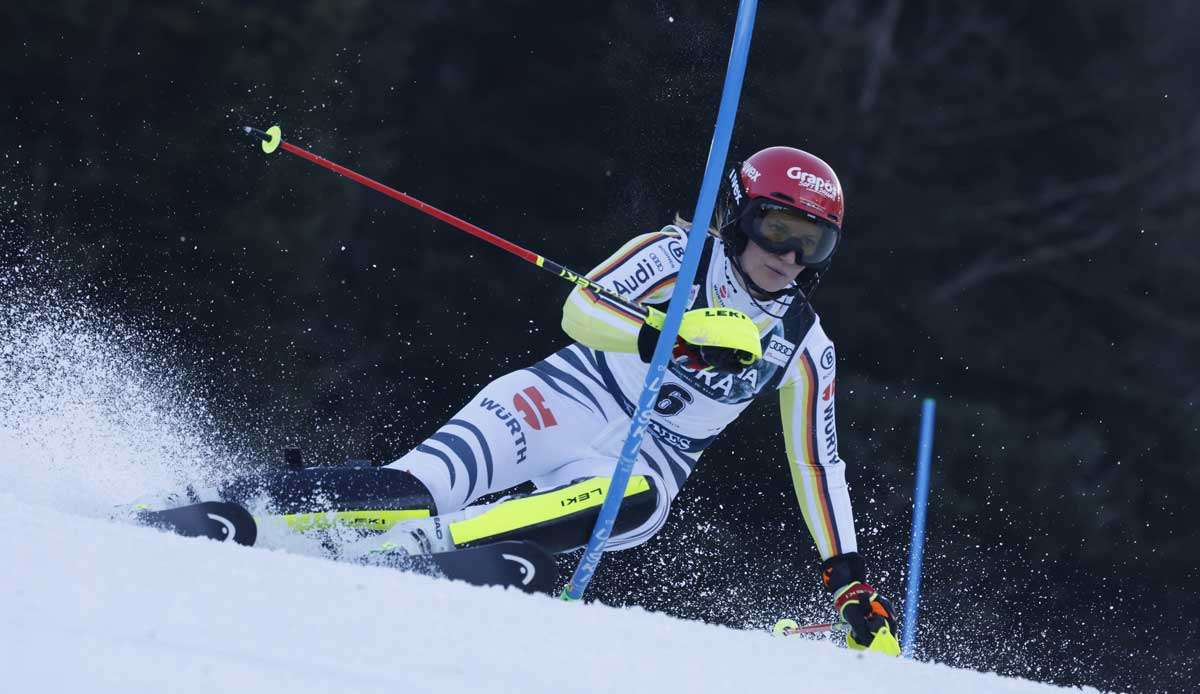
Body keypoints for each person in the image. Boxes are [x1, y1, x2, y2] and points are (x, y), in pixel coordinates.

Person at [219, 146, 899, 654]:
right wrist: (668, 333)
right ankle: (236, 505)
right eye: (779, 229)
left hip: (645, 464)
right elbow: (581, 310)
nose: (790, 257)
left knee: (637, 498)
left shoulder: (807, 345)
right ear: (742, 217)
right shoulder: (677, 256)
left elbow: (818, 466)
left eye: (813, 243)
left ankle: (428, 549)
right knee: (417, 486)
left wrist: (848, 581)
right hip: (564, 399)